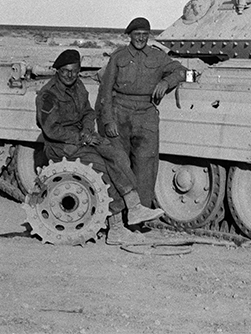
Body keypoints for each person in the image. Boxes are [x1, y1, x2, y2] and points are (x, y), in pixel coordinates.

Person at [35, 49, 164, 245]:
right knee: (101, 168)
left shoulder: (78, 86)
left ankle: (134, 205)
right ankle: (116, 229)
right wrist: (82, 137)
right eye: (66, 71)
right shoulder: (48, 94)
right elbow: (51, 130)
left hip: (83, 137)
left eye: (75, 71)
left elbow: (88, 112)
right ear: (57, 71)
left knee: (117, 154)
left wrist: (87, 130)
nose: (70, 75)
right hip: (62, 145)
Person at [98, 17, 185, 208]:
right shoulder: (118, 57)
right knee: (119, 165)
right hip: (120, 112)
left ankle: (142, 214)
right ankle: (119, 215)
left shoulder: (157, 56)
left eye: (145, 35)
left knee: (145, 167)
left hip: (146, 115)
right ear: (130, 35)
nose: (141, 39)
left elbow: (180, 70)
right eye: (137, 35)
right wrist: (108, 121)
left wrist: (166, 82)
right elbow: (105, 91)